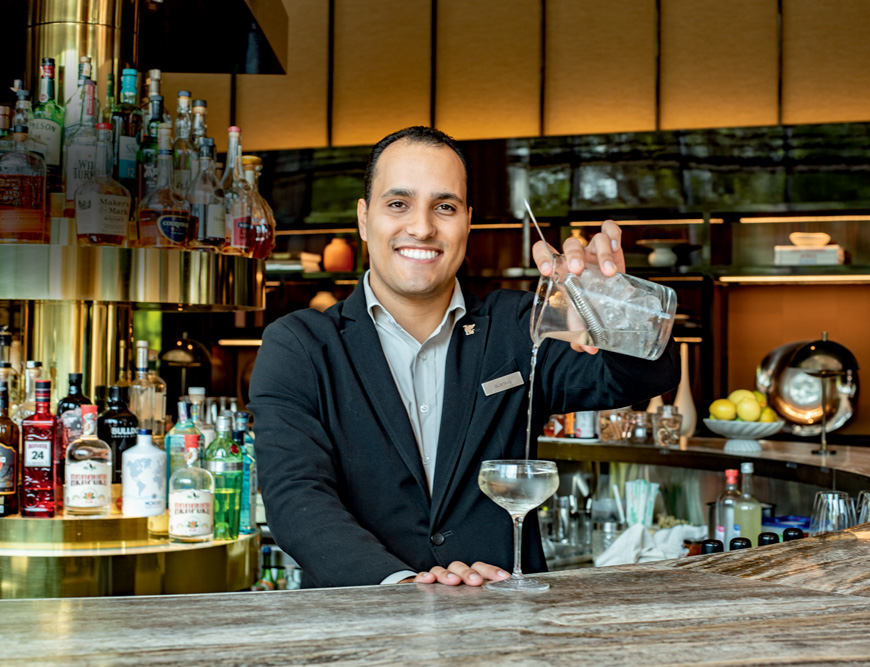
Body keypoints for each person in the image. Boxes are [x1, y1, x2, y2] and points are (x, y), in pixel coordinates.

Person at [249, 126, 680, 588]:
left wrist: (612, 303)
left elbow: (641, 376)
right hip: (363, 623)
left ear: (468, 221)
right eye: (398, 204)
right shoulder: (299, 345)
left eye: (445, 207)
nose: (421, 226)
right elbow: (297, 498)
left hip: (505, 624)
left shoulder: (519, 326)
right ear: (363, 217)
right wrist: (401, 585)